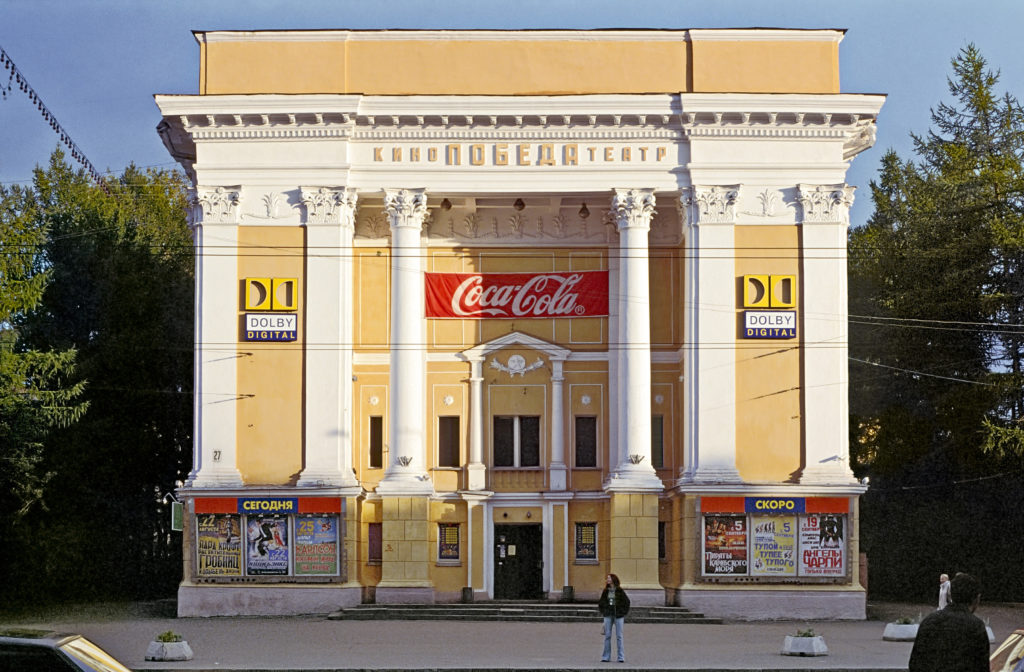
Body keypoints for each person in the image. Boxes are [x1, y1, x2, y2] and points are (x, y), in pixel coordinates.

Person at [909, 572, 989, 672]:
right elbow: (982, 666)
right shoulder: (976, 627)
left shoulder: (929, 621)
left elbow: (915, 663)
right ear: (976, 599)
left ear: (951, 594)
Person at [598, 573, 630, 663]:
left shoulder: (619, 591)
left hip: (618, 616)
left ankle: (621, 657)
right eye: (607, 578)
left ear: (613, 579)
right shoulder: (606, 591)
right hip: (608, 615)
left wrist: (622, 612)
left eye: (609, 578)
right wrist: (604, 611)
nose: (607, 579)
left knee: (619, 636)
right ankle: (606, 657)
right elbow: (601, 603)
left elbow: (627, 602)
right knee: (607, 636)